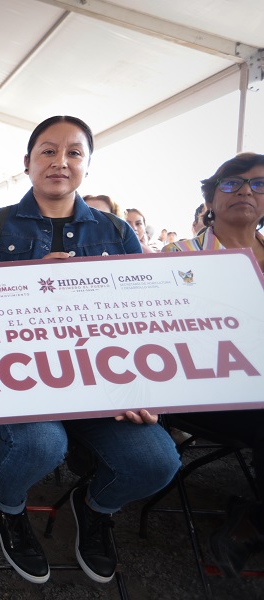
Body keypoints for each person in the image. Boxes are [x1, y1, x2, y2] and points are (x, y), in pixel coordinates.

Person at [0, 116, 180, 585]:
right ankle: (9, 507)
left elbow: (142, 318)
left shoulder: (117, 232)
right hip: (13, 382)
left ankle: (95, 506)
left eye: (74, 152)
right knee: (43, 443)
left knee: (157, 462)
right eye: (47, 150)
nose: (60, 161)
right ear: (27, 163)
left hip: (100, 384)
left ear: (87, 164)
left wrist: (146, 387)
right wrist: (26, 282)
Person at [162, 152, 264, 577]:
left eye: (259, 185)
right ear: (211, 198)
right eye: (232, 182)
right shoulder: (177, 255)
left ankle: (253, 518)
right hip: (200, 389)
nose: (245, 190)